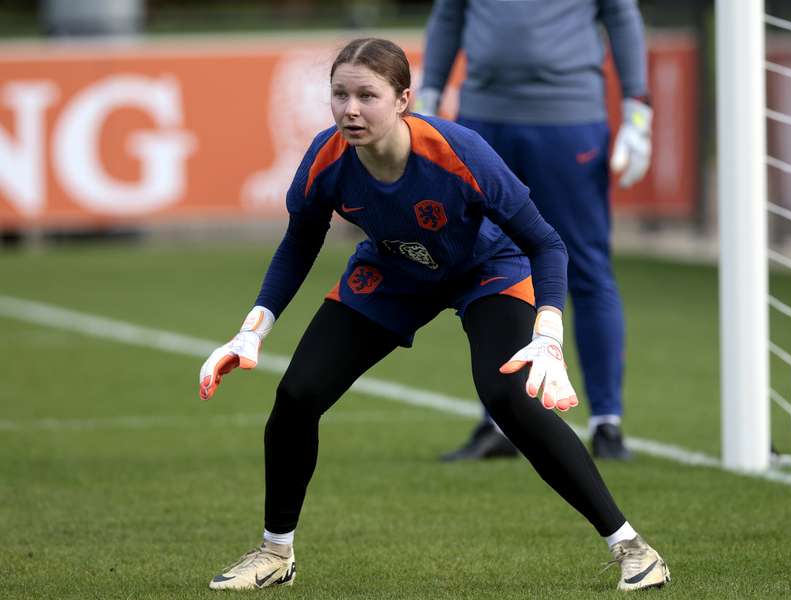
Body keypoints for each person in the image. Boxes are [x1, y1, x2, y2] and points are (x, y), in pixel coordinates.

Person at [198, 38, 669, 593]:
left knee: (506, 399)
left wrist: (548, 332)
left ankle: (633, 548)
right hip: (394, 270)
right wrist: (253, 329)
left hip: (487, 268)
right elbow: (299, 242)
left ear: (403, 100)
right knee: (297, 395)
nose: (350, 109)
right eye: (340, 94)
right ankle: (275, 554)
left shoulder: (458, 152)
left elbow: (546, 244)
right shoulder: (326, 158)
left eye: (367, 95)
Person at [418, 0, 653, 461]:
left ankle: (607, 422)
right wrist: (428, 98)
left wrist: (638, 112)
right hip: (482, 119)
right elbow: (448, 15)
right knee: (485, 269)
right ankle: (500, 419)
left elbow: (621, 15)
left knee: (585, 265)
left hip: (569, 121)